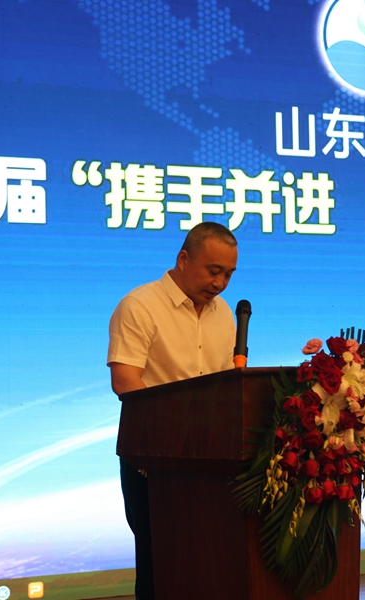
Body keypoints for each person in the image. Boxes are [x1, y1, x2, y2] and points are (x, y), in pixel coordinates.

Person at [107, 222, 239, 600]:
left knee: (210, 562)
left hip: (211, 460)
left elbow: (226, 385)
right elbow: (125, 381)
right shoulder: (140, 306)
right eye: (213, 271)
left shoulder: (223, 313)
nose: (220, 283)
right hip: (154, 458)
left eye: (228, 274)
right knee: (161, 564)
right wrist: (180, 427)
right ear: (183, 259)